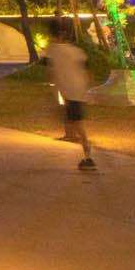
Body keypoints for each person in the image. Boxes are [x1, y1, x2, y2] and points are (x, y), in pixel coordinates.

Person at [43, 17, 95, 171]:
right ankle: (80, 144)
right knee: (74, 121)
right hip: (78, 89)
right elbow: (86, 69)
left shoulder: (52, 49)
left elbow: (50, 69)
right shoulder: (75, 51)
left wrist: (54, 86)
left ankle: (88, 157)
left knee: (78, 124)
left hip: (70, 91)